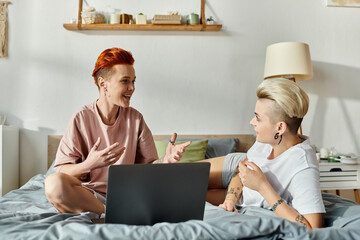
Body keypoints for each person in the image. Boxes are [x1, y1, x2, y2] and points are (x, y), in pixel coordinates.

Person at [44, 47, 191, 215]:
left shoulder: (136, 119)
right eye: (125, 81)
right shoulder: (81, 118)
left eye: (133, 81)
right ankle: (109, 214)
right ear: (102, 83)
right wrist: (89, 165)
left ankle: (109, 215)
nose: (132, 88)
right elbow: (62, 170)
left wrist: (165, 160)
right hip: (90, 196)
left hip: (128, 196)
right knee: (53, 183)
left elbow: (149, 169)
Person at [204, 78, 325, 231]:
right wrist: (230, 199)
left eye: (258, 118)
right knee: (183, 179)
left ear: (280, 127)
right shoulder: (266, 139)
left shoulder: (303, 167)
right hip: (239, 177)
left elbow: (312, 229)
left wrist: (262, 186)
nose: (252, 122)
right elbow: (241, 169)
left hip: (250, 190)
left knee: (186, 197)